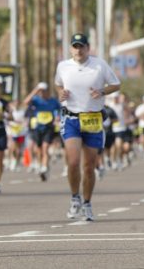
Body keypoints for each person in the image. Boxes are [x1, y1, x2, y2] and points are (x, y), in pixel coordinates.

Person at [55, 33, 120, 221]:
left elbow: (116, 84)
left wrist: (101, 91)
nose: (78, 50)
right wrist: (61, 93)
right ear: (70, 49)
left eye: (81, 46)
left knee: (89, 166)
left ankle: (87, 203)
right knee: (73, 162)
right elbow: (58, 84)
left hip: (92, 119)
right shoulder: (63, 66)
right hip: (71, 119)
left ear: (87, 48)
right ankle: (75, 198)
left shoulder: (99, 65)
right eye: (75, 46)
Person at [21, 82, 61, 181]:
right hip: (37, 128)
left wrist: (57, 118)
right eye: (40, 91)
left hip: (49, 127)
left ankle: (44, 167)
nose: (42, 93)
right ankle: (40, 164)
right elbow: (25, 102)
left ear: (48, 91)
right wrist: (35, 90)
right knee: (38, 150)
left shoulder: (53, 101)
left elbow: (59, 111)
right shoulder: (36, 100)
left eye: (44, 91)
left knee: (45, 147)